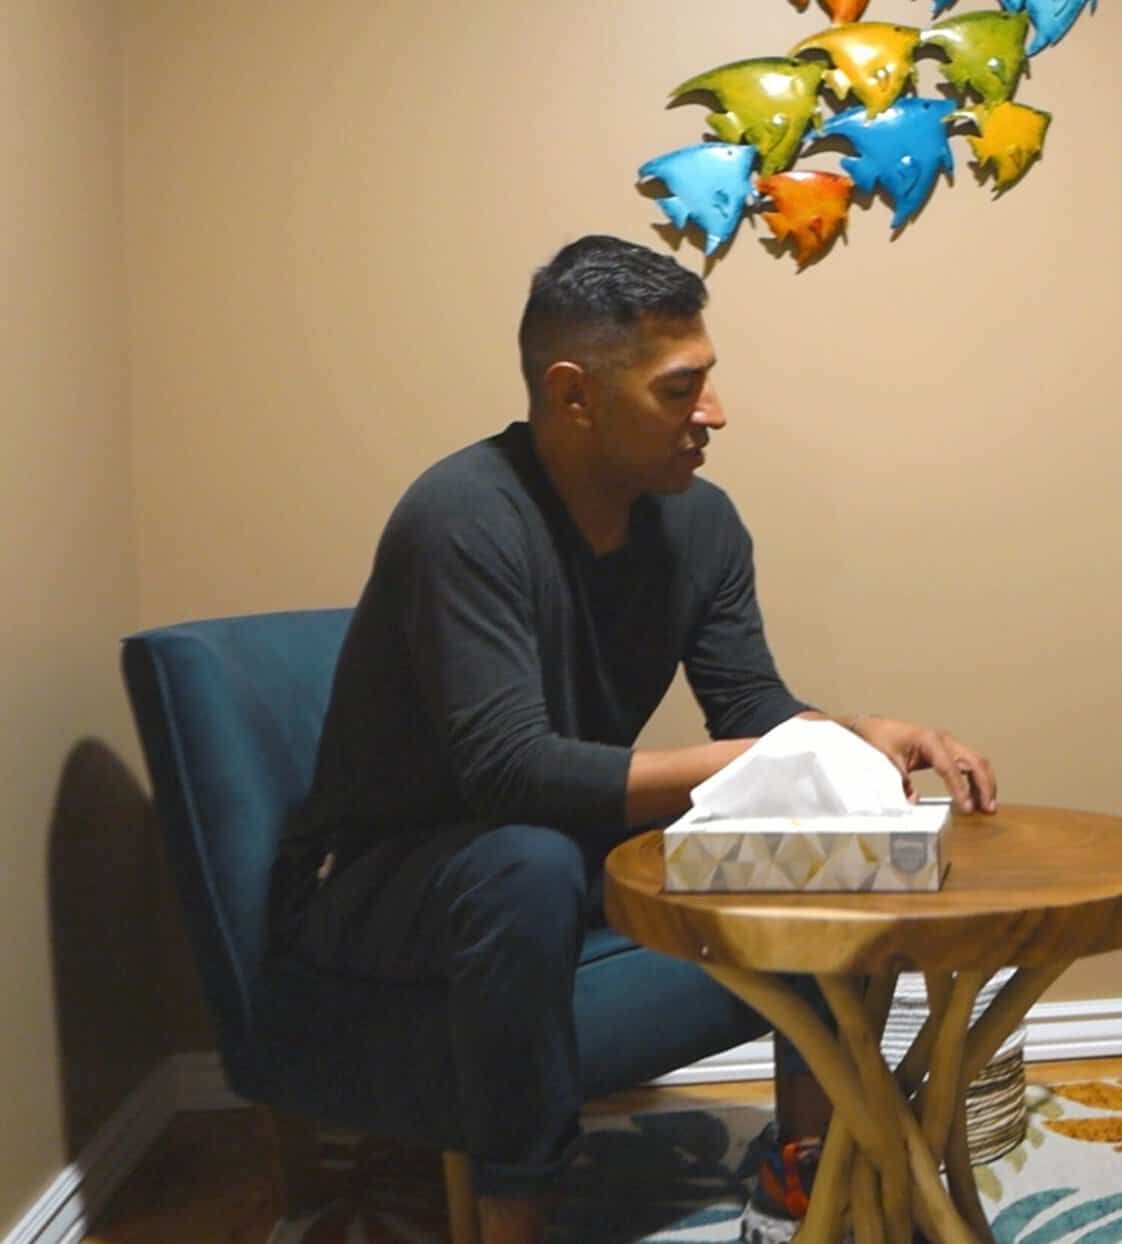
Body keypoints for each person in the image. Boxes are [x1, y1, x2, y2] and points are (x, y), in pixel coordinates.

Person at [269, 234, 998, 1244]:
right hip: (387, 875)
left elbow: (750, 705)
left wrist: (855, 735)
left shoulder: (698, 527)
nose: (715, 412)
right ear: (574, 397)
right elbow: (508, 769)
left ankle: (805, 1171)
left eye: (710, 379)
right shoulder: (463, 517)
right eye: (680, 388)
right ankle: (514, 1214)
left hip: (552, 850)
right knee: (521, 864)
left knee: (812, 818)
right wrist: (769, 760)